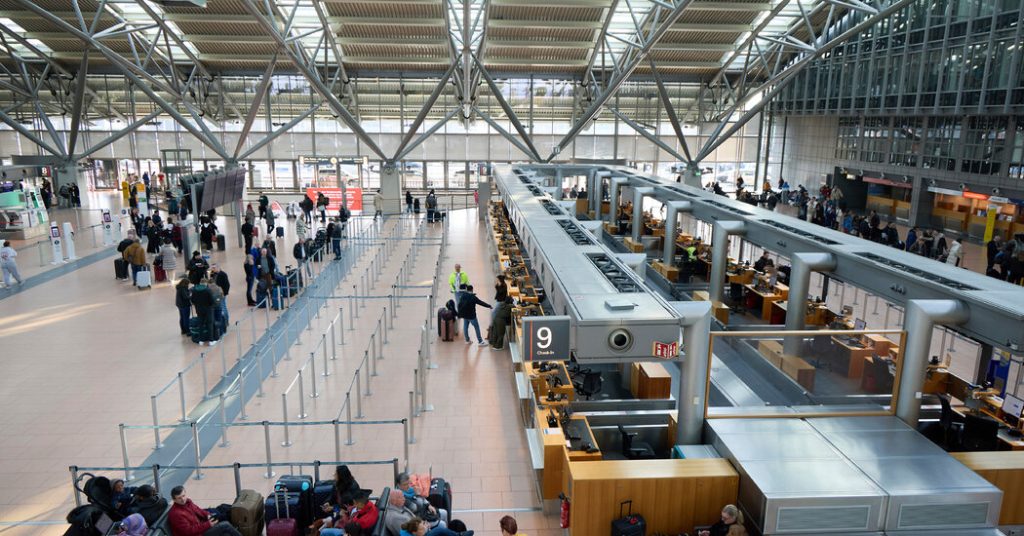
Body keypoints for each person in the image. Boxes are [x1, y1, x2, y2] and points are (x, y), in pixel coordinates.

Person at [167, 486, 240, 536]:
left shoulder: (188, 502)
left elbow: (199, 510)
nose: (183, 499)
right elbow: (188, 531)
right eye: (179, 498)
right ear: (174, 500)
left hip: (201, 526)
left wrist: (208, 515)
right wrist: (208, 524)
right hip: (197, 534)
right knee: (225, 525)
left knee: (223, 521)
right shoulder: (176, 514)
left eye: (183, 496)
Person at [190, 279, 217, 346]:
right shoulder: (208, 290)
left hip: (199, 310)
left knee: (200, 324)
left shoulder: (194, 290)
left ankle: (201, 340)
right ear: (205, 283)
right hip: (208, 310)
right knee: (209, 324)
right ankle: (211, 340)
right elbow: (212, 301)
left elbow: (192, 300)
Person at [400, 517, 473, 536]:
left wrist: (427, 528)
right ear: (414, 533)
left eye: (423, 523)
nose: (424, 528)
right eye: (422, 529)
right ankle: (459, 535)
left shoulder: (412, 527)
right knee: (439, 530)